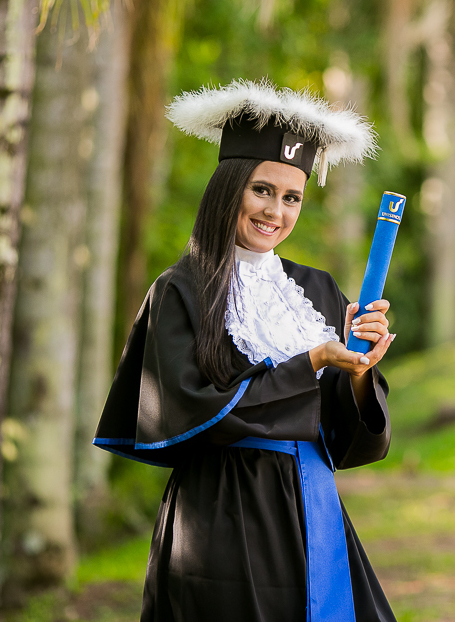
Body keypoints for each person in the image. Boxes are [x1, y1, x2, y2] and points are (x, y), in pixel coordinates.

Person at [93, 80, 397, 621]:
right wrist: (313, 362)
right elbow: (194, 413)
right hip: (219, 519)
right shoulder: (180, 291)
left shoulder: (318, 290)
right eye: (261, 190)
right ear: (228, 187)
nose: (274, 212)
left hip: (314, 512)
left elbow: (344, 440)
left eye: (291, 197)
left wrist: (357, 368)